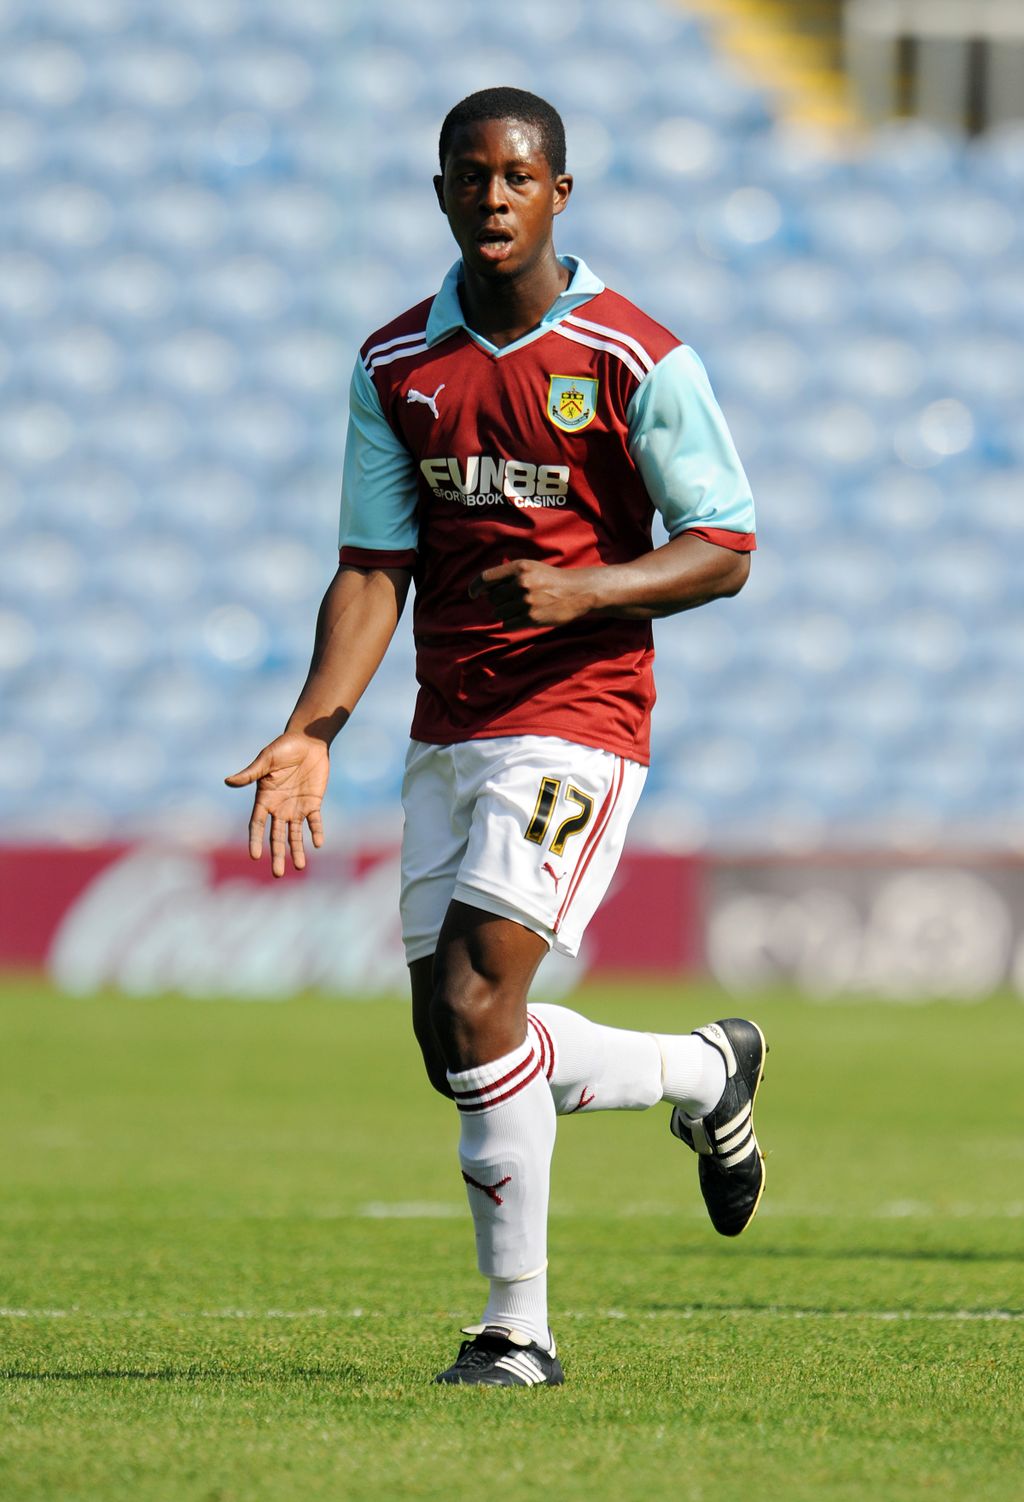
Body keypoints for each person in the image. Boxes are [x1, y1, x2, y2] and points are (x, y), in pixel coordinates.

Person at [227, 87, 767, 1389]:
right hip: (448, 720)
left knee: (479, 1000)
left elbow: (726, 544)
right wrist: (311, 729)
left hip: (580, 719)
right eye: (471, 176)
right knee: (458, 1040)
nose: (495, 196)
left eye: (519, 175)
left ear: (559, 194)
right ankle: (706, 1070)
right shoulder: (396, 365)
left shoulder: (635, 358)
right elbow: (370, 569)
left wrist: (590, 588)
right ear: (442, 194)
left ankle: (515, 1324)